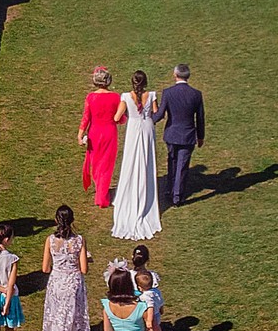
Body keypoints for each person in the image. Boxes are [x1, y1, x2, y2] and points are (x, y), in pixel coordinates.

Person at [41, 205, 90, 331]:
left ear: (56, 220)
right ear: (72, 220)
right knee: (72, 321)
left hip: (57, 283)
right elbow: (84, 268)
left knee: (56, 319)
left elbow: (45, 268)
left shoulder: (50, 240)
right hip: (73, 284)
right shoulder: (79, 241)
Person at [111, 69, 161, 240]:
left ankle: (129, 191)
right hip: (147, 128)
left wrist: (128, 114)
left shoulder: (125, 96)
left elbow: (117, 117)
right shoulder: (152, 95)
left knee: (131, 162)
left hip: (133, 128)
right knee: (146, 162)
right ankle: (145, 194)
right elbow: (156, 113)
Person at [155, 62, 205, 208]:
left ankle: (171, 190)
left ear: (175, 75)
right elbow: (200, 118)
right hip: (188, 135)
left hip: (171, 133)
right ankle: (177, 195)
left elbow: (160, 114)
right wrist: (200, 136)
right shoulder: (196, 94)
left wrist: (147, 120)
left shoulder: (168, 92)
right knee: (182, 165)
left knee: (172, 161)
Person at [79, 66, 121, 209]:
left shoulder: (91, 97)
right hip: (110, 133)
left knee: (96, 164)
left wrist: (80, 135)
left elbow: (86, 117)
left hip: (95, 133)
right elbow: (120, 118)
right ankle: (102, 196)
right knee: (107, 165)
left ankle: (100, 192)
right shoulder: (116, 97)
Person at [130, 243, 162, 330]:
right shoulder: (152, 276)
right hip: (150, 312)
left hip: (132, 311)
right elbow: (155, 294)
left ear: (132, 257)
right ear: (147, 259)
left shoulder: (127, 275)